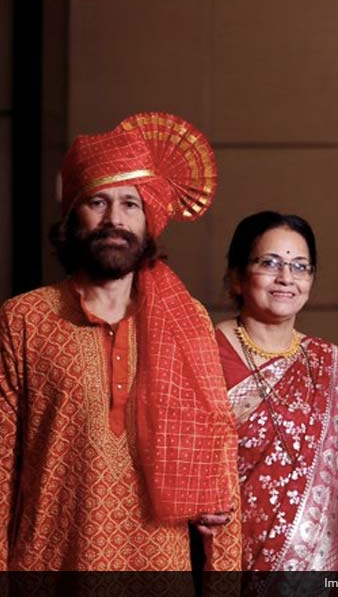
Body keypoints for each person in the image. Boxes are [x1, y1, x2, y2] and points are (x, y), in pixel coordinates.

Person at [0, 112, 240, 570]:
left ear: (150, 220)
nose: (115, 219)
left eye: (131, 203)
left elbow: (220, 468)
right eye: (98, 202)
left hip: (159, 565)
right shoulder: (24, 320)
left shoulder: (186, 321)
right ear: (72, 216)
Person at [216, 211, 338, 571]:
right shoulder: (203, 355)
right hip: (228, 563)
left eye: (301, 267)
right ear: (237, 277)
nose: (286, 278)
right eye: (269, 263)